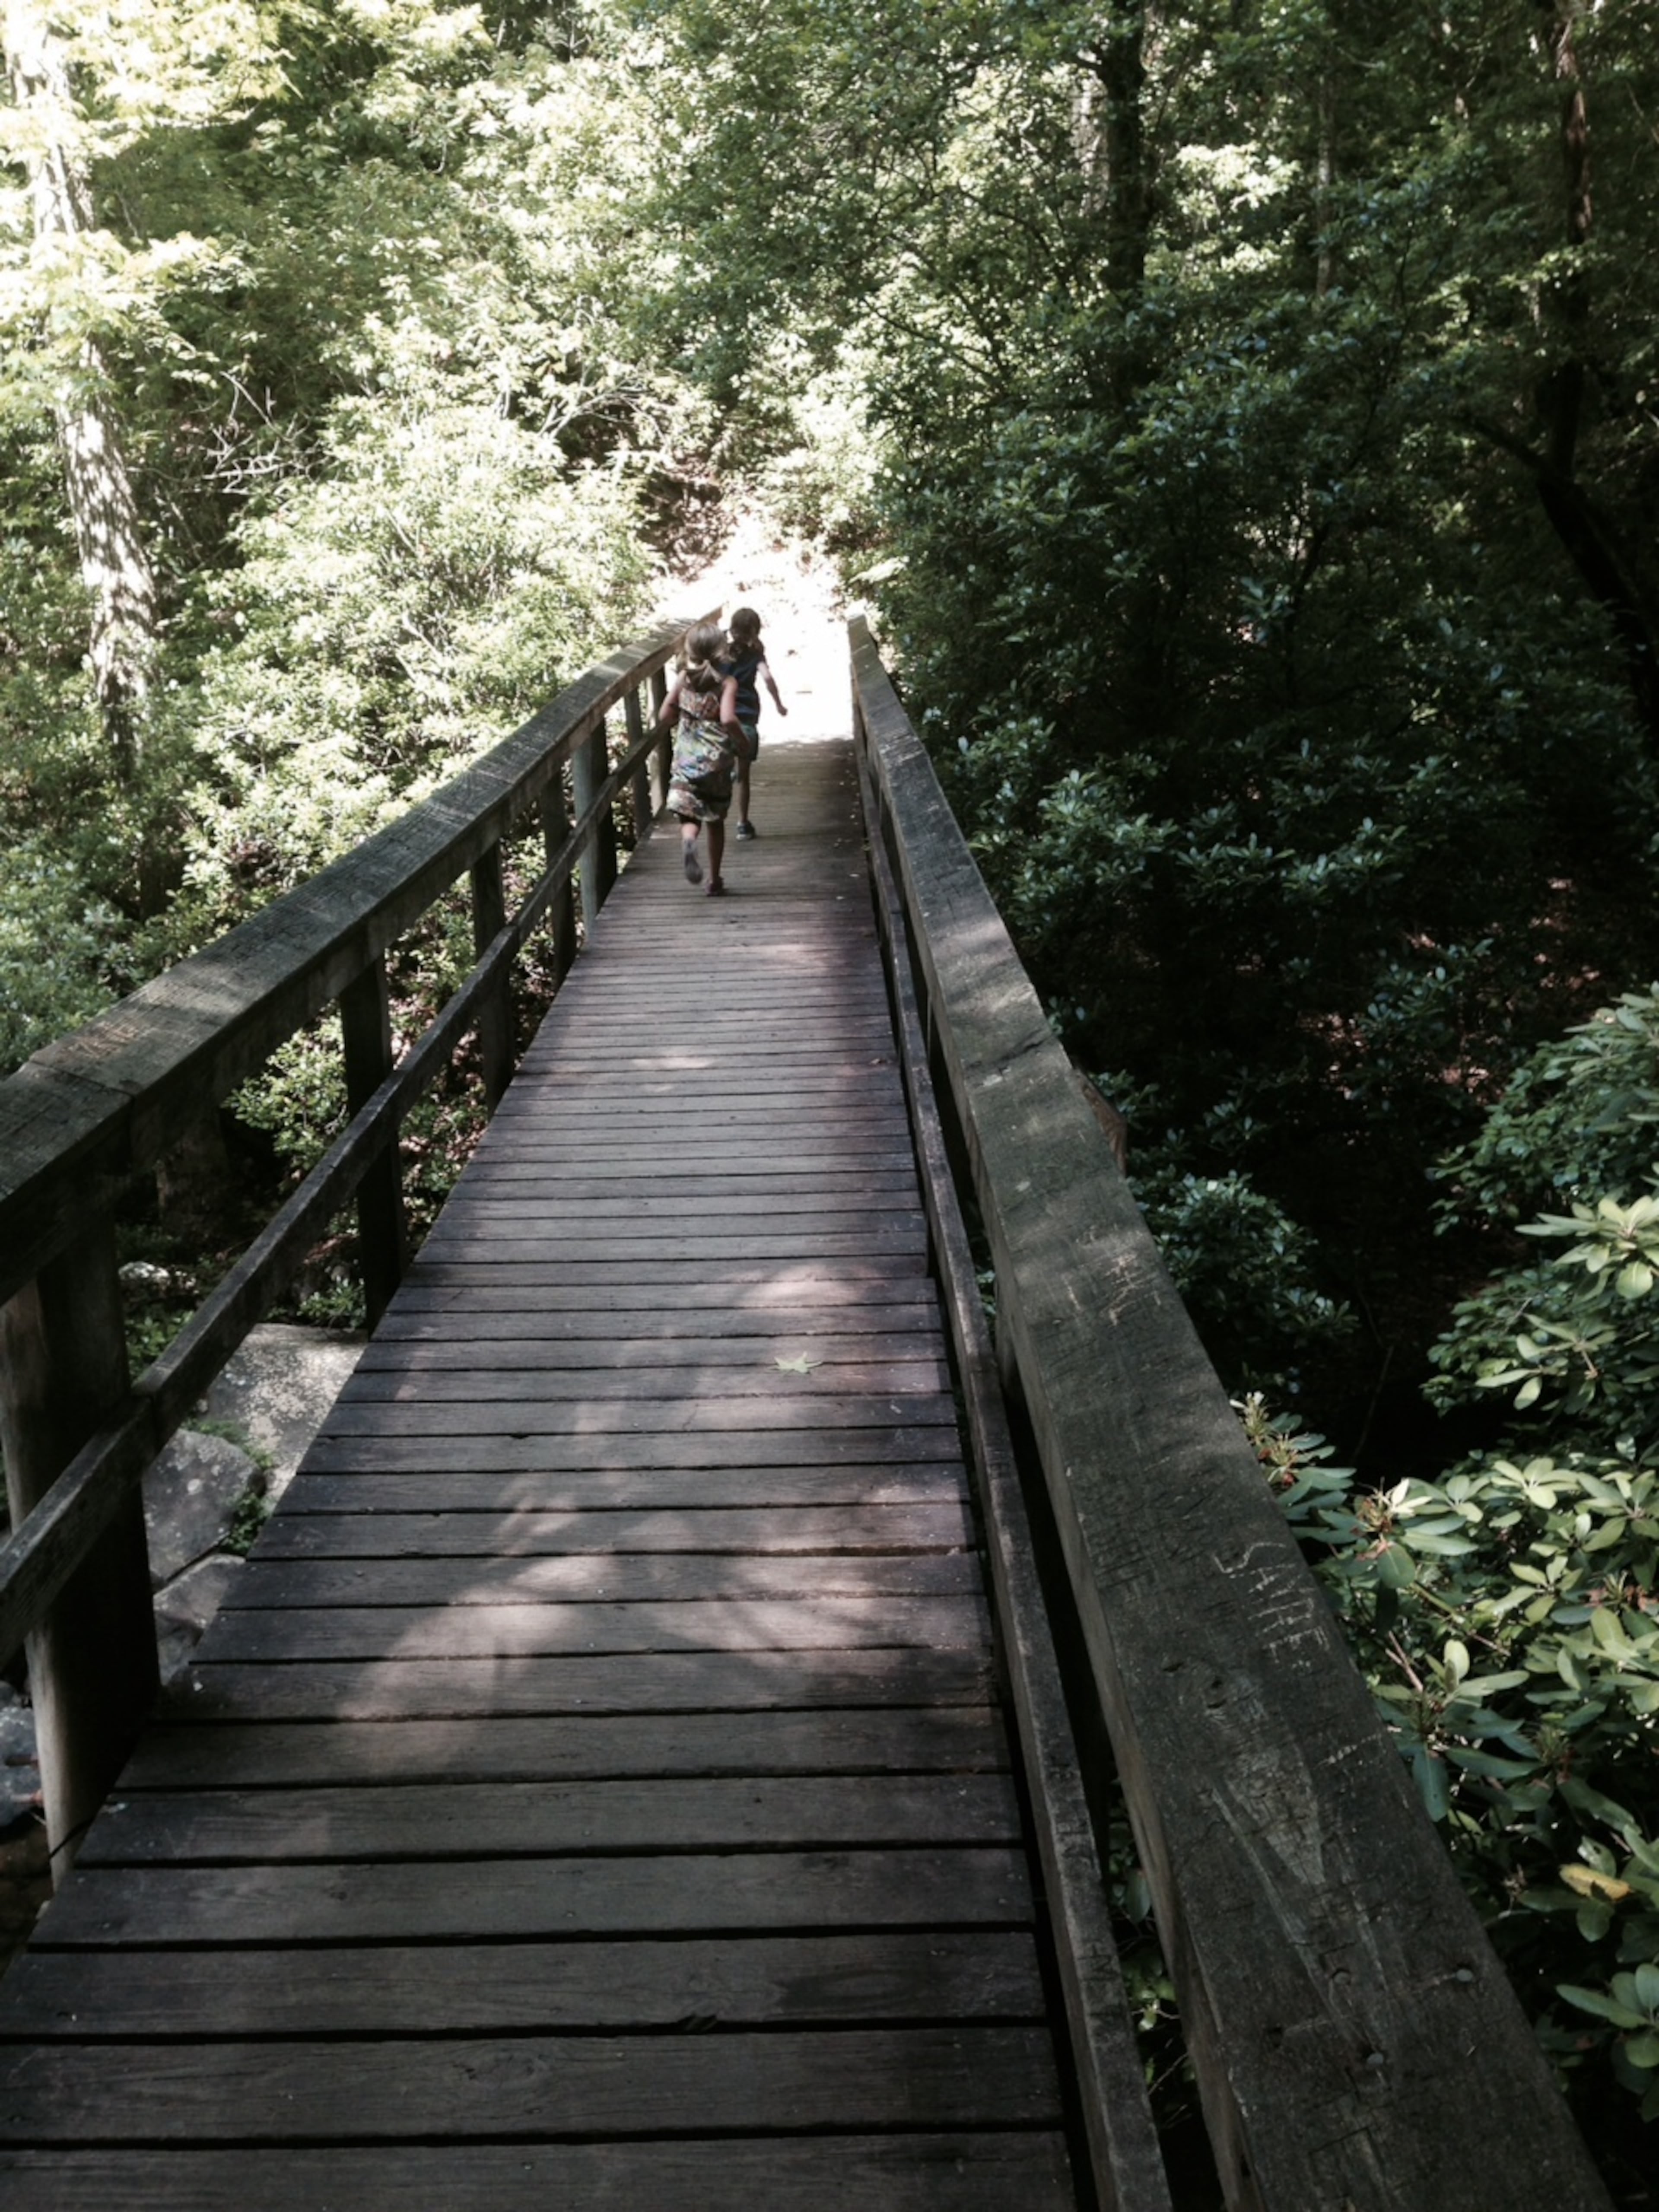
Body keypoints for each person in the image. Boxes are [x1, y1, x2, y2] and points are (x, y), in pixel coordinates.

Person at [658, 622, 749, 896]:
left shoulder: (683, 679)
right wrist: (742, 743)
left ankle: (688, 840)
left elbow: (664, 715)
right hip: (716, 762)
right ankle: (715, 880)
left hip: (687, 758)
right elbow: (728, 719)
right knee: (715, 818)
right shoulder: (727, 683)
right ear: (722, 651)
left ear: (690, 650)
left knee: (690, 812)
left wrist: (683, 717)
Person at [721, 604, 787, 838]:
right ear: (755, 632)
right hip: (747, 720)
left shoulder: (722, 652)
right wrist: (779, 704)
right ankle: (743, 824)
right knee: (744, 777)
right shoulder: (756, 655)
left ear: (732, 629)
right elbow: (768, 679)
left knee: (720, 767)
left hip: (722, 719)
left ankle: (714, 815)